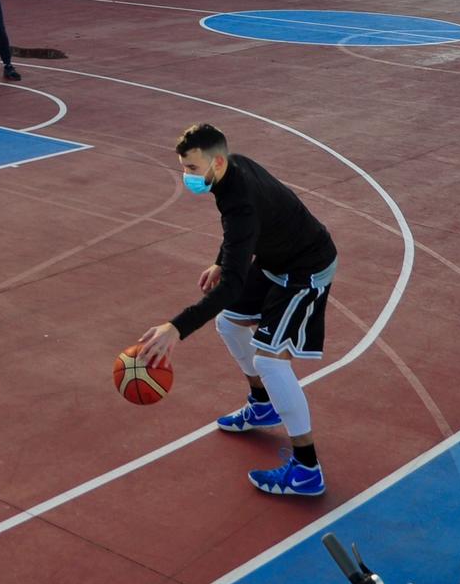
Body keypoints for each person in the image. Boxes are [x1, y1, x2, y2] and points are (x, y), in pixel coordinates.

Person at [135, 124, 338, 498]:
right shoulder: (233, 170)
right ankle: (262, 406)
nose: (187, 177)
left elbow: (231, 283)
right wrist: (221, 261)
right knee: (230, 324)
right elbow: (242, 234)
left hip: (306, 268)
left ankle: (307, 470)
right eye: (183, 167)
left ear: (215, 162)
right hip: (277, 258)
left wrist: (176, 328)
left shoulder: (239, 201)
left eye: (192, 169)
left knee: (270, 361)